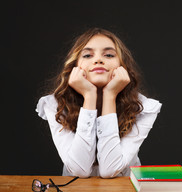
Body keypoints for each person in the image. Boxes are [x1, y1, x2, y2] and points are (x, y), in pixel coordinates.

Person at [36, 28, 162, 178]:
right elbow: (78, 171)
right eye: (88, 55)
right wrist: (89, 95)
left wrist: (110, 95)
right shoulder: (55, 105)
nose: (98, 60)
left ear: (123, 66)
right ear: (75, 66)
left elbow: (110, 170)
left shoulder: (143, 108)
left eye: (109, 55)